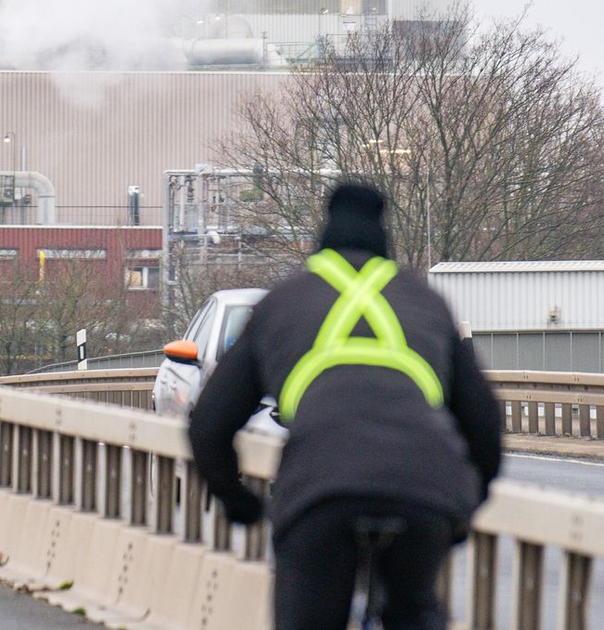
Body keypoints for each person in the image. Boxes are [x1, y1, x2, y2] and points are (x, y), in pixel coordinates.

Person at [188, 182, 502, 630]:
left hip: (321, 489)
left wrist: (237, 501)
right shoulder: (425, 301)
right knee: (413, 606)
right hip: (424, 488)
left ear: (323, 234)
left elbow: (209, 426)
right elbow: (485, 423)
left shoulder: (283, 303)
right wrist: (467, 503)